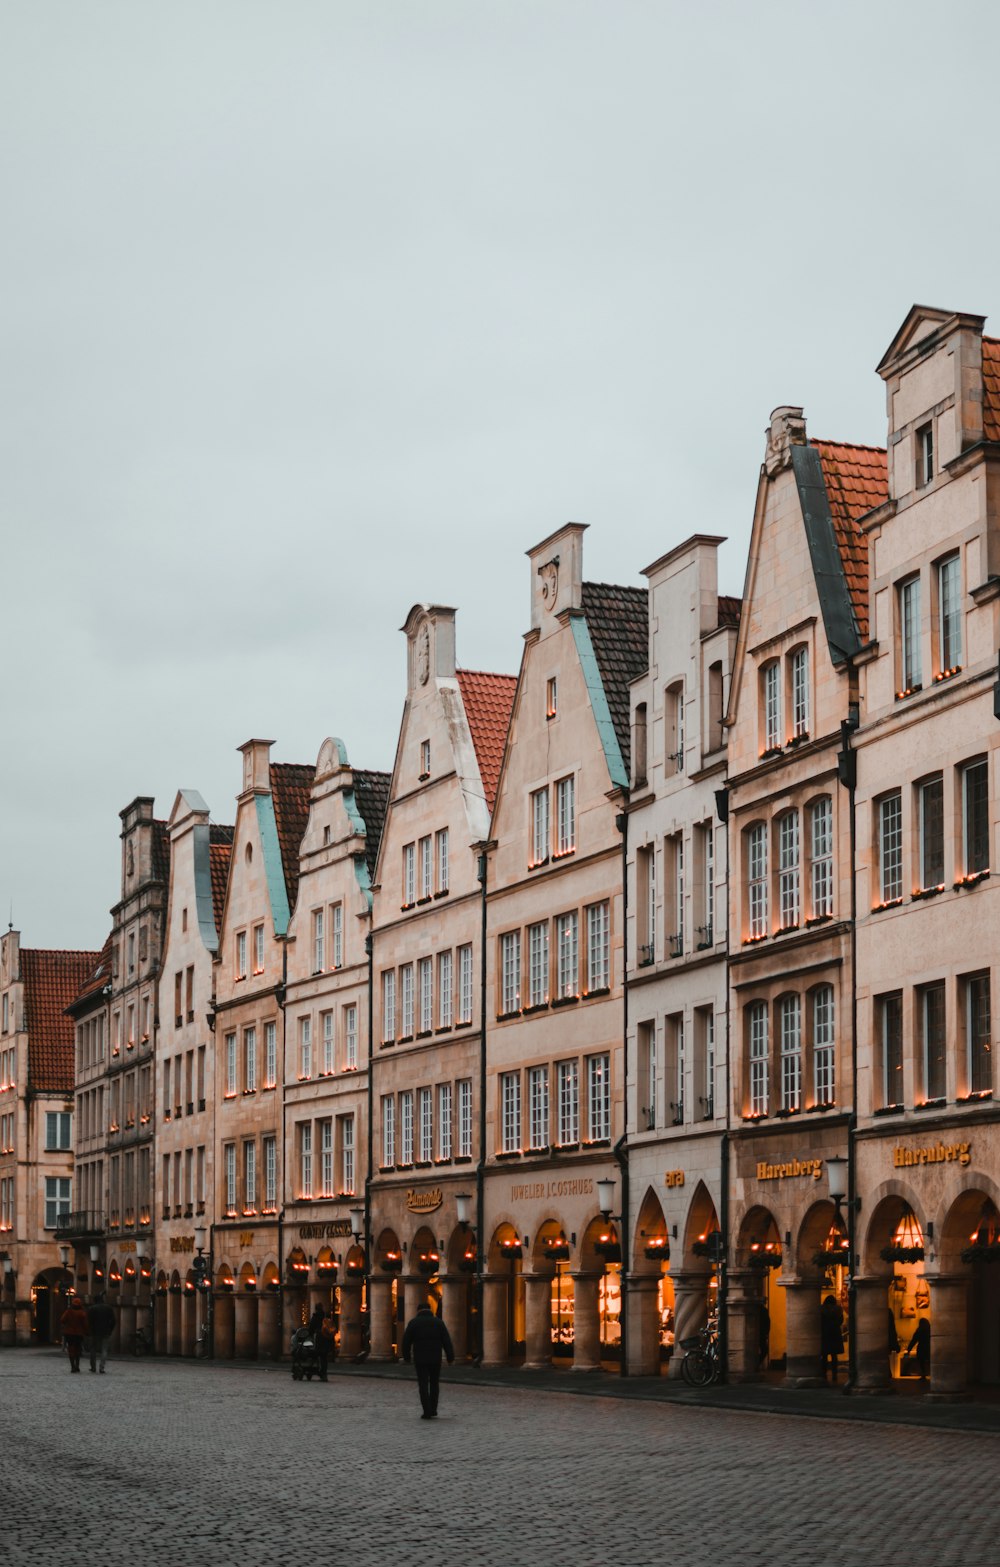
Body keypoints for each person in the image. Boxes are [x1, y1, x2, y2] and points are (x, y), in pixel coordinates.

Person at [402, 1301, 455, 1418]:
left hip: (420, 1359)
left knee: (423, 1384)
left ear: (418, 1311)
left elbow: (406, 1342)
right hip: (435, 1358)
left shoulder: (414, 1323)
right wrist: (450, 1357)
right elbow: (446, 1341)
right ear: (430, 1310)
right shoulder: (438, 1322)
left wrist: (406, 1357)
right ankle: (434, 1409)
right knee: (434, 1384)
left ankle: (426, 1411)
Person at [87, 1292, 116, 1374]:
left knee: (93, 1349)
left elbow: (89, 1321)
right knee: (104, 1350)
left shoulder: (91, 1308)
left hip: (94, 1332)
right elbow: (113, 1320)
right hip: (106, 1331)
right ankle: (101, 1368)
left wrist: (89, 1331)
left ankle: (93, 1367)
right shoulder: (108, 1308)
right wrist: (110, 1329)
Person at [60, 1293, 89, 1374]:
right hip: (79, 1334)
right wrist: (87, 1332)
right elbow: (85, 1324)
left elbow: (62, 1320)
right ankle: (77, 1365)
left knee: (71, 1349)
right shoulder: (82, 1313)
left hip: (69, 1333)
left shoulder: (69, 1311)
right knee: (78, 1349)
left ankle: (72, 1366)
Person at [820, 1293, 845, 1382]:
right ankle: (834, 1374)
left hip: (825, 1333)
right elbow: (841, 1321)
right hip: (834, 1334)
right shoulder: (838, 1310)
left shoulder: (822, 1310)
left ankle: (824, 1373)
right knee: (834, 1356)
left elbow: (819, 1320)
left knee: (824, 1355)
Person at [308, 1304, 331, 1382]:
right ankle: (324, 1374)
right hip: (327, 1339)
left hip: (319, 1339)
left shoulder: (315, 1317)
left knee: (317, 1355)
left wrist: (310, 1334)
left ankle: (315, 1371)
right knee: (324, 1357)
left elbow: (311, 1329)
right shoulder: (326, 1316)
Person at [907, 1315, 931, 1380]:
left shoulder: (919, 1330)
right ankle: (931, 1373)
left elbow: (913, 1341)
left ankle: (923, 1375)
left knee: (922, 1362)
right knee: (930, 1361)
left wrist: (909, 1349)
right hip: (929, 1348)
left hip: (921, 1348)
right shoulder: (930, 1330)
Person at [757, 1300, 770, 1370]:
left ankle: (755, 1364)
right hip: (761, 1333)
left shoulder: (756, 1310)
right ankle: (756, 1364)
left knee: (763, 1350)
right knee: (764, 1350)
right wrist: (766, 1333)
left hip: (760, 1333)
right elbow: (767, 1323)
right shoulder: (764, 1310)